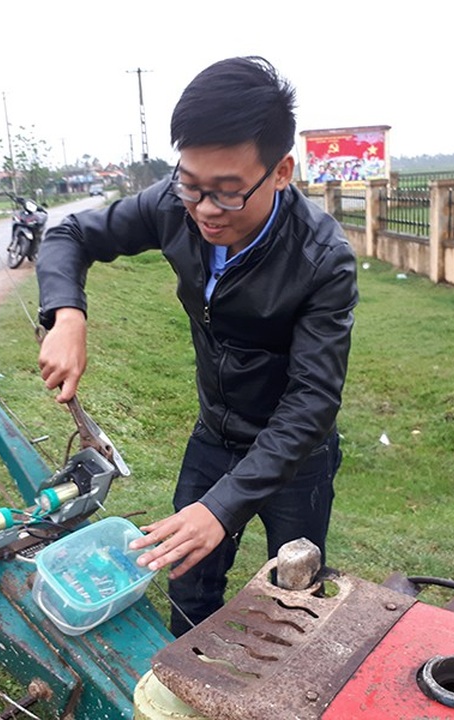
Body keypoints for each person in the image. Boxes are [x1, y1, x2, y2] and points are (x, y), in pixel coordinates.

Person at [37, 56, 358, 636]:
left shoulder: (323, 258)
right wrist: (67, 314)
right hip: (213, 434)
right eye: (192, 186)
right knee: (187, 579)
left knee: (295, 593)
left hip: (296, 454)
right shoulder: (172, 204)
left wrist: (223, 504)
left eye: (228, 193)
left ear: (281, 171)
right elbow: (69, 234)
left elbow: (313, 399)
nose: (205, 210)